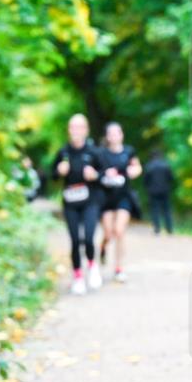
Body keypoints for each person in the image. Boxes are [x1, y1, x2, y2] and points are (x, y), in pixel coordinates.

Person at [51, 114, 105, 295]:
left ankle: (92, 265)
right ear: (69, 130)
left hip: (90, 202)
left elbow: (105, 174)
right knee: (74, 240)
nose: (76, 131)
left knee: (89, 238)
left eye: (80, 127)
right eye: (72, 127)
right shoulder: (63, 152)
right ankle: (78, 277)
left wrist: (95, 175)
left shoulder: (94, 152)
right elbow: (52, 175)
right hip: (70, 203)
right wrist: (59, 171)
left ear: (86, 130)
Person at [97, 122, 142, 283]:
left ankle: (118, 268)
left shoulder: (129, 151)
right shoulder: (101, 154)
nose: (114, 136)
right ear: (107, 137)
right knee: (108, 233)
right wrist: (104, 174)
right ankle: (102, 248)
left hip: (124, 197)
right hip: (106, 198)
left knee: (119, 231)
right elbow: (95, 172)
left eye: (117, 133)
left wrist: (132, 172)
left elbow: (137, 167)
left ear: (121, 135)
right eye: (111, 133)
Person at [143, 151, 175, 235]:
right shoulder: (166, 165)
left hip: (153, 191)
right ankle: (169, 229)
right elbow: (171, 178)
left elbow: (145, 180)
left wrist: (148, 188)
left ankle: (157, 229)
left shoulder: (149, 166)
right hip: (165, 190)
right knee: (167, 210)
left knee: (155, 210)